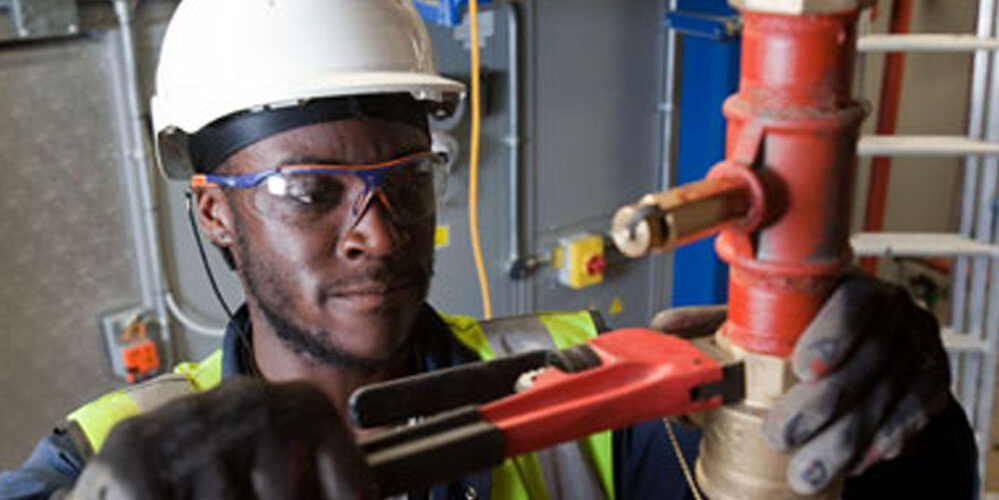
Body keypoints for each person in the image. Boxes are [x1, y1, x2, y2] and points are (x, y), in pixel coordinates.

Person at [0, 0, 978, 499]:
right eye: (310, 191)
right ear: (215, 213)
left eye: (405, 176)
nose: (375, 230)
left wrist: (899, 419)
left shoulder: (575, 377)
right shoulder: (113, 443)